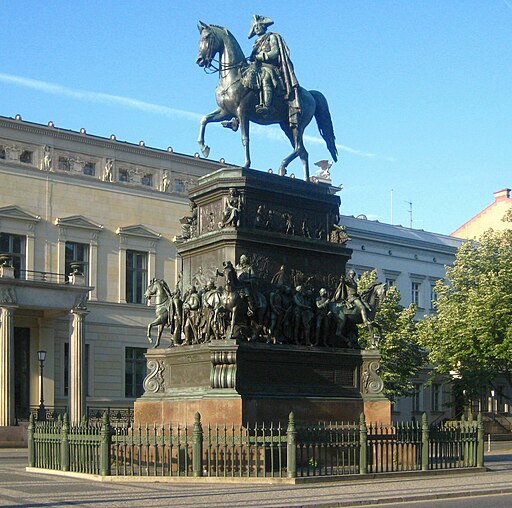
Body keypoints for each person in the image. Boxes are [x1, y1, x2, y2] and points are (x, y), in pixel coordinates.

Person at [246, 14, 301, 124]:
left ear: (264, 26)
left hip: (270, 68)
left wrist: (261, 56)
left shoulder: (272, 37)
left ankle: (267, 106)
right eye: (255, 27)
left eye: (258, 26)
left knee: (265, 77)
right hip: (257, 68)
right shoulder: (256, 42)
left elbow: (275, 53)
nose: (256, 29)